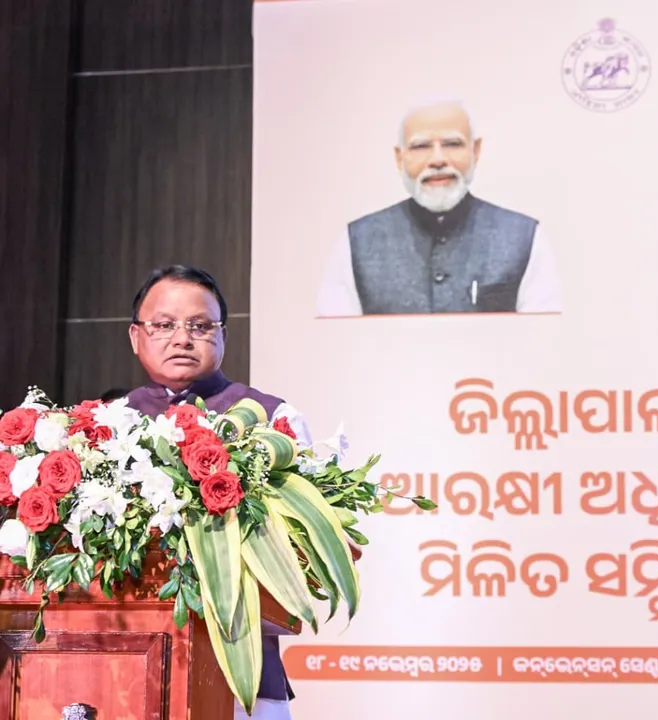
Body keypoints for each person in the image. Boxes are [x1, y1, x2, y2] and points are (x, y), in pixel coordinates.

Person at [123, 265, 311, 720]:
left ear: (223, 336)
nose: (182, 338)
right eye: (164, 325)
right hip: (125, 668)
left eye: (200, 326)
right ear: (136, 337)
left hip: (243, 676)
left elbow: (303, 551)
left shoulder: (272, 420)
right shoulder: (108, 423)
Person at [315, 96, 563, 316]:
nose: (437, 159)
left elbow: (540, 346)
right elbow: (338, 346)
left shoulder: (525, 237)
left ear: (475, 151)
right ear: (399, 158)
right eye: (421, 146)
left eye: (452, 144)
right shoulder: (356, 241)